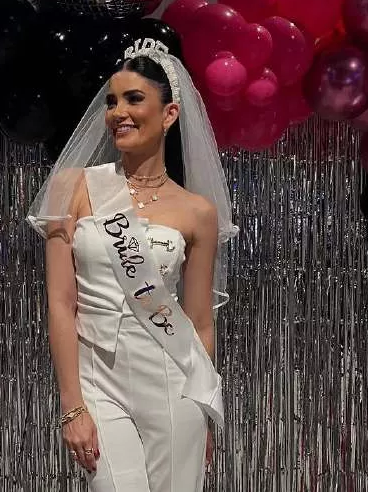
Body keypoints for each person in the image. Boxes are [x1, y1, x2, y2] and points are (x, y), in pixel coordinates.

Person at [27, 47, 238, 492]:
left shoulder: (197, 211)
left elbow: (200, 322)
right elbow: (61, 304)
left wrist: (204, 411)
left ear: (169, 114)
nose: (117, 112)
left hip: (174, 383)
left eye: (134, 99)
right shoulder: (74, 187)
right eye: (111, 101)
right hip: (97, 381)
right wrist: (72, 406)